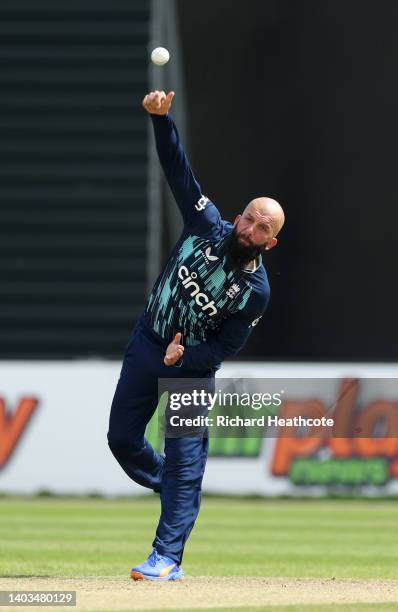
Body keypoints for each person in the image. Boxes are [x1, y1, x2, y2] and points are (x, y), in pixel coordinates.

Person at [107, 90, 285, 581]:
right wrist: (161, 121)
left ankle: (166, 558)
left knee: (186, 455)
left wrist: (183, 359)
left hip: (191, 370)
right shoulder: (206, 223)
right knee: (122, 439)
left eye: (260, 226)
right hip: (148, 343)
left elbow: (224, 349)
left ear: (270, 241)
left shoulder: (254, 290)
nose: (248, 225)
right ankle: (176, 486)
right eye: (249, 215)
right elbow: (177, 171)